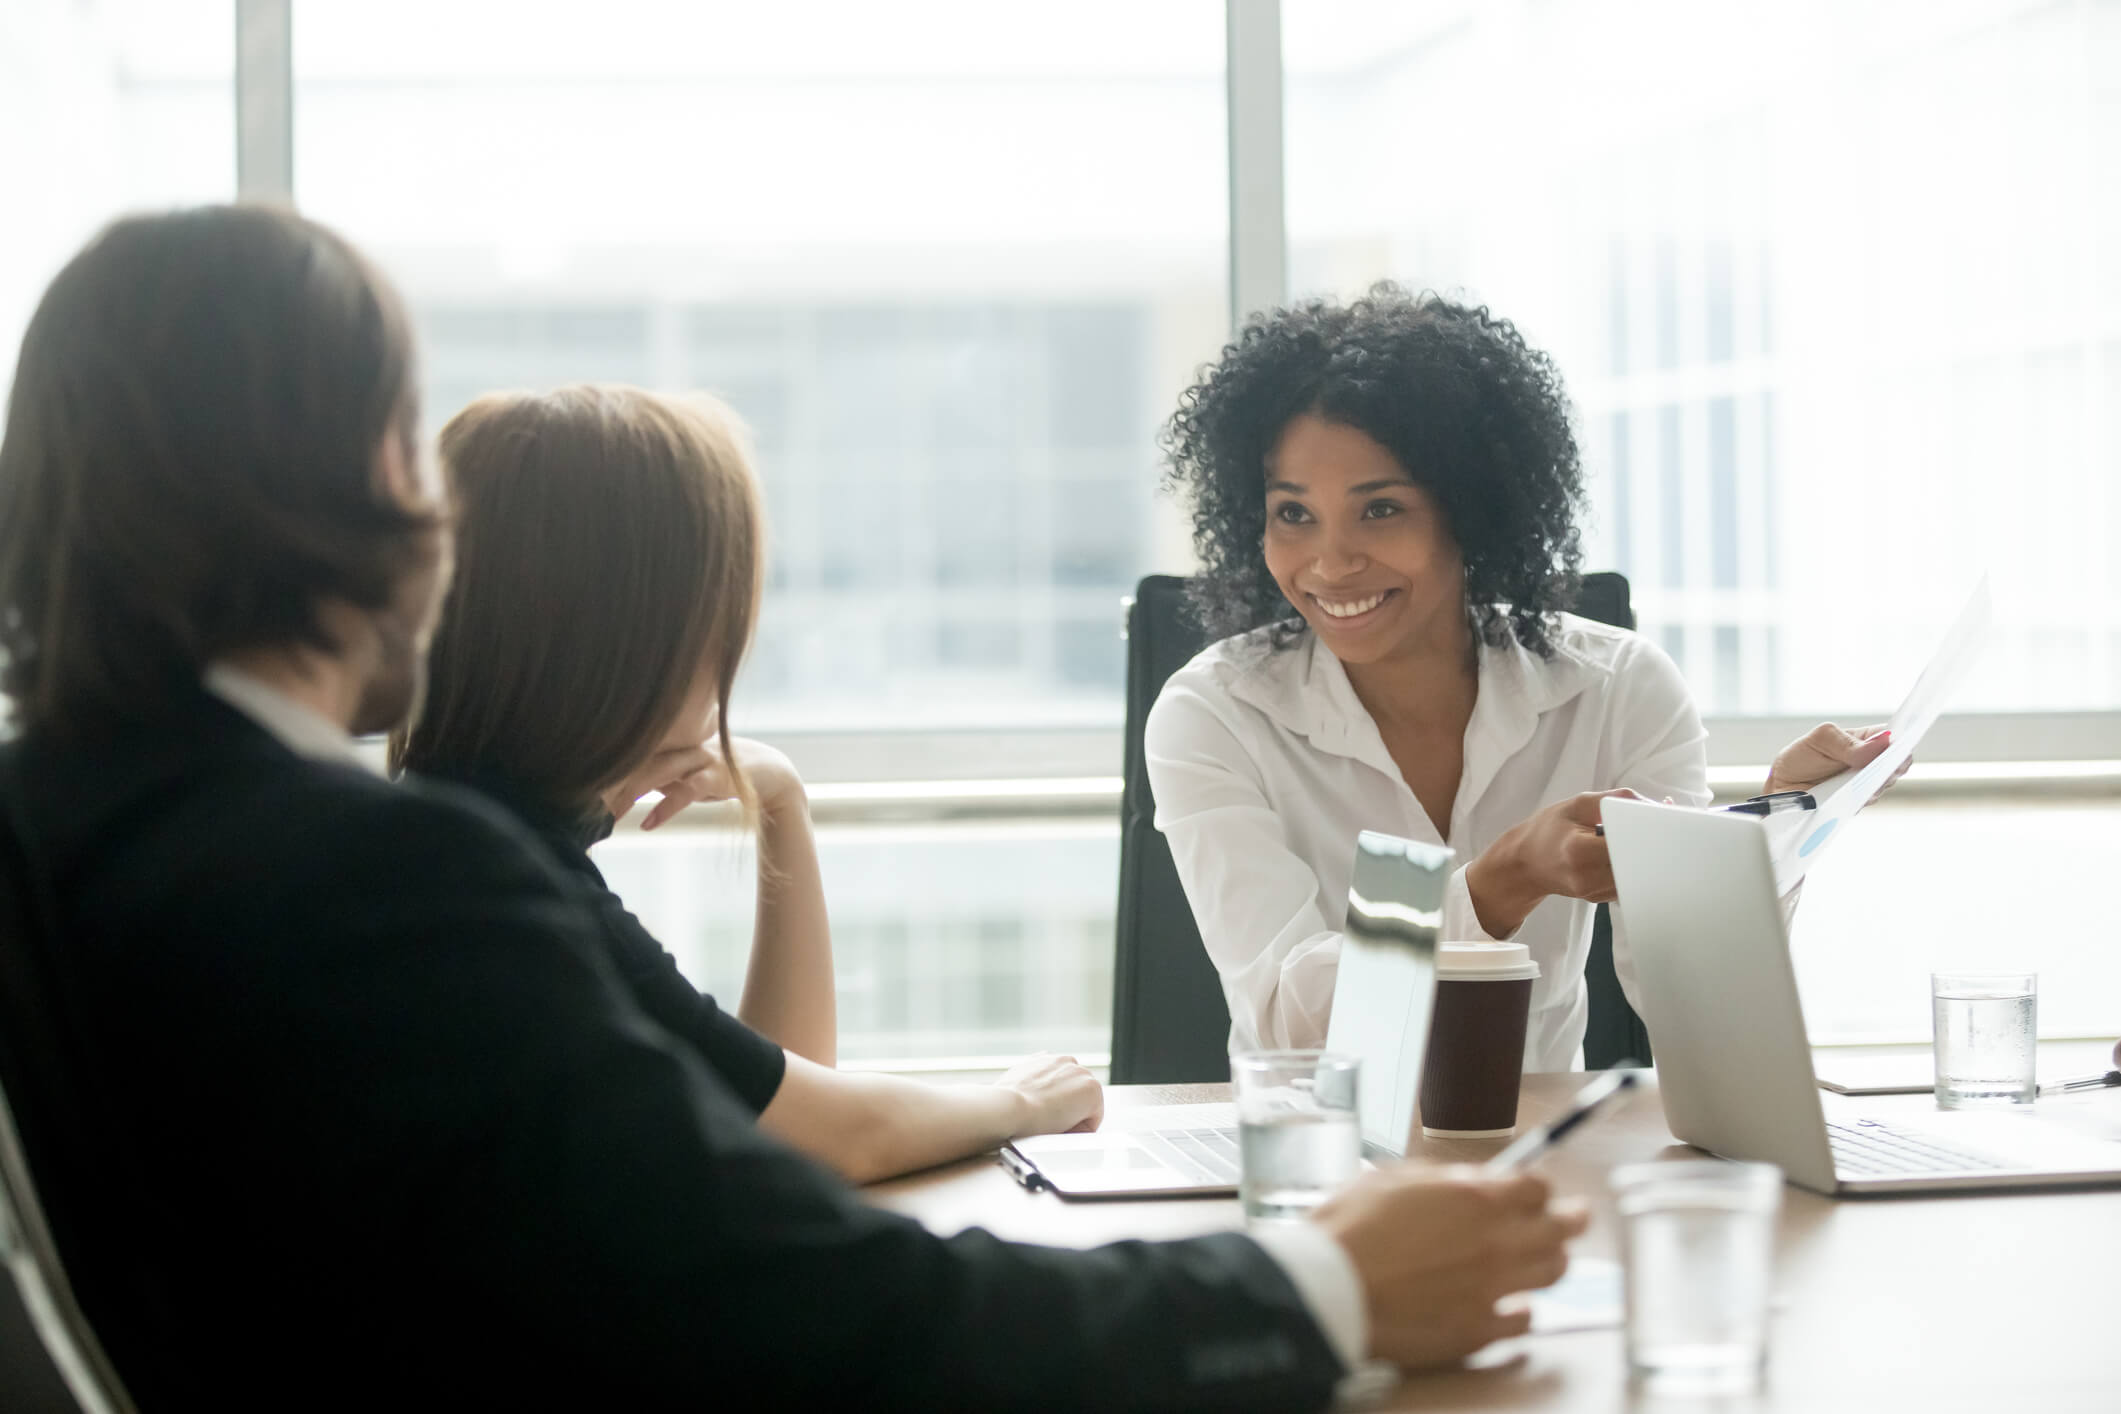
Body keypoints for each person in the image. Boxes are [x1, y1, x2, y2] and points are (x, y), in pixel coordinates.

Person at [0, 208, 1586, 1411]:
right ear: (342, 489)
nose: (441, 527)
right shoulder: (370, 879)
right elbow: (812, 1306)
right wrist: (1319, 1284)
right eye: (410, 452)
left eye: (1385, 506)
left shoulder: (63, 827)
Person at [1148, 285, 1891, 1066]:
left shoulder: (1616, 689)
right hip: (1312, 1159)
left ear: (1469, 511)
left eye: (1380, 511)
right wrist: (1499, 883)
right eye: (1292, 514)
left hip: (1540, 1156)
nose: (1329, 564)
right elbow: (1290, 1024)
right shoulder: (1214, 711)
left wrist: (1779, 821)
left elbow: (1696, 1003)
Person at [387, 383, 1103, 1182]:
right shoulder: (502, 875)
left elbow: (774, 1096)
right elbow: (814, 1138)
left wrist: (781, 804)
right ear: (634, 643)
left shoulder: (463, 820)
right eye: (715, 626)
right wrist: (1020, 1103)